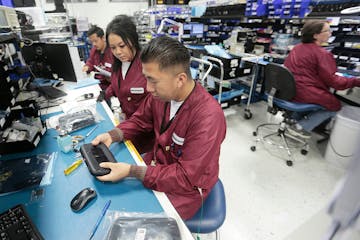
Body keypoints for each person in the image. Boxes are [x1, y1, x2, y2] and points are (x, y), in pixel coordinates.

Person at [92, 36, 227, 220]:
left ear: (180, 79)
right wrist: (113, 135)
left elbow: (186, 177)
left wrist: (133, 171)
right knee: (115, 200)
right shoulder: (162, 96)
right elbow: (140, 120)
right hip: (158, 165)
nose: (148, 88)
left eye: (152, 80)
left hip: (186, 189)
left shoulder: (208, 117)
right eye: (146, 78)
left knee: (134, 223)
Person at [284, 20, 360, 138]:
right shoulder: (322, 54)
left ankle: (292, 121)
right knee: (335, 105)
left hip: (290, 90)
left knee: (316, 101)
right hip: (306, 92)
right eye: (327, 30)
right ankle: (300, 127)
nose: (330, 33)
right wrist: (356, 81)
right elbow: (335, 83)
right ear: (315, 35)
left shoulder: (297, 48)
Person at [104, 15, 148, 120]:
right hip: (127, 121)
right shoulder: (117, 64)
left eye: (122, 46)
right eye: (113, 48)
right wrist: (106, 93)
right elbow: (119, 84)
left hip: (144, 126)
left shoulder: (147, 64)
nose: (118, 52)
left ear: (133, 40)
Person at [82, 25, 113, 91]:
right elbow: (90, 61)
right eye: (92, 42)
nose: (94, 44)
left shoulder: (112, 51)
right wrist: (87, 67)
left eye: (96, 41)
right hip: (97, 83)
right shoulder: (94, 50)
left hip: (110, 86)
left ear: (103, 38)